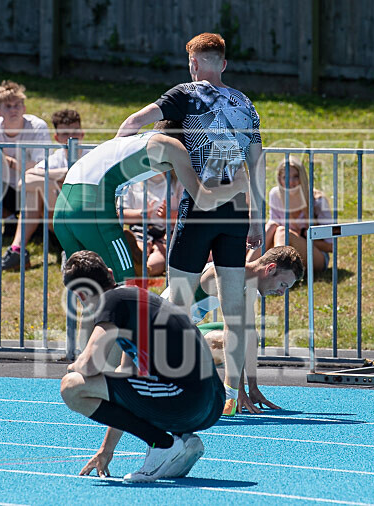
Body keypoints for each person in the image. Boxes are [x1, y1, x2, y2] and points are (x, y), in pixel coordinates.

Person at [116, 32, 265, 415]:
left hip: (199, 209)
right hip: (235, 212)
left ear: (194, 64)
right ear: (224, 64)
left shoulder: (185, 93)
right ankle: (233, 396)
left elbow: (135, 121)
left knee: (177, 305)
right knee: (234, 309)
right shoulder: (245, 104)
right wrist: (257, 220)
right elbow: (257, 166)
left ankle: (165, 383)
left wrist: (115, 162)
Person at [60, 250, 224, 482]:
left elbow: (89, 365)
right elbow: (126, 385)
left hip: (186, 399)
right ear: (109, 273)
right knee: (122, 380)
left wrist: (72, 367)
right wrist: (107, 449)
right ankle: (182, 441)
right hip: (209, 405)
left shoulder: (111, 302)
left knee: (71, 386)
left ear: (81, 295)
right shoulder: (136, 298)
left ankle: (163, 444)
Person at [52, 120, 248, 283]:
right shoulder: (172, 145)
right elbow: (204, 199)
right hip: (90, 206)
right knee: (125, 284)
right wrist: (238, 185)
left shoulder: (133, 140)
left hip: (62, 208)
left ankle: (93, 330)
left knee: (89, 287)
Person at [161, 246, 304, 413]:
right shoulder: (224, 275)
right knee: (229, 340)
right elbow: (234, 333)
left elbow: (247, 333)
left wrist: (253, 388)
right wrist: (237, 391)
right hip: (158, 338)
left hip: (180, 335)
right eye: (283, 285)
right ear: (270, 269)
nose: (281, 293)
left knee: (251, 336)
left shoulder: (248, 284)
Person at [0, 109, 84, 272]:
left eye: (75, 131)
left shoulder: (92, 154)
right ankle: (17, 251)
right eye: (65, 133)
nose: (71, 137)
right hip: (58, 216)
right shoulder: (55, 159)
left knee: (41, 188)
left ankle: (18, 252)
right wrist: (63, 174)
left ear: (82, 133)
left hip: (84, 215)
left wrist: (50, 177)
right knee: (36, 192)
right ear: (57, 137)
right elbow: (23, 182)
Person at [0, 80, 51, 238]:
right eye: (8, 106)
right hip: (4, 189)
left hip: (31, 188)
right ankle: (10, 219)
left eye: (17, 105)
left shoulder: (37, 127)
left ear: (24, 108)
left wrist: (7, 159)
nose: (13, 110)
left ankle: (36, 224)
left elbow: (40, 167)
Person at [250, 156, 333, 272]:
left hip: (316, 255)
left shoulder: (317, 200)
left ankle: (277, 273)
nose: (291, 182)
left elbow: (331, 246)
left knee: (281, 232)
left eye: (296, 177)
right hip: (281, 250)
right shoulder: (275, 195)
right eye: (286, 177)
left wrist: (300, 236)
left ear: (302, 178)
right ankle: (246, 269)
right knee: (272, 226)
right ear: (280, 179)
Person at [119, 170, 184, 277]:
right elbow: (121, 214)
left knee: (161, 253)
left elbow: (186, 215)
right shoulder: (132, 183)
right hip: (141, 228)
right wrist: (141, 214)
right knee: (141, 245)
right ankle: (138, 258)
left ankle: (144, 269)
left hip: (167, 231)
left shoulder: (178, 181)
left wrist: (169, 214)